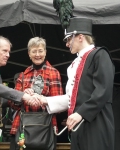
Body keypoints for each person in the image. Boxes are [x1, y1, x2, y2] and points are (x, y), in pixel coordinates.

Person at [39, 17, 115, 150]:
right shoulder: (74, 64)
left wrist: (81, 113)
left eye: (69, 39)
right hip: (78, 126)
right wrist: (45, 100)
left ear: (80, 37)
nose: (67, 44)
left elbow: (103, 90)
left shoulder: (100, 55)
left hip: (96, 124)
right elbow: (72, 98)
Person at [8, 37, 63, 150]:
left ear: (45, 52)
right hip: (22, 126)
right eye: (34, 51)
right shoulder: (23, 75)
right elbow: (12, 103)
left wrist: (40, 99)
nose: (37, 54)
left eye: (40, 50)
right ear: (29, 54)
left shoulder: (53, 73)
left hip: (45, 127)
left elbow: (59, 104)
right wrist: (23, 96)